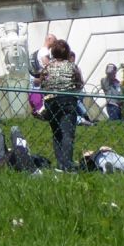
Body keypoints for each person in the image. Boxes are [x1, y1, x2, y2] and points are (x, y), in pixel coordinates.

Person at [41, 39, 83, 172]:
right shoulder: (72, 66)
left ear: (53, 52)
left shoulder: (48, 67)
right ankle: (67, 165)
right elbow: (80, 83)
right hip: (67, 100)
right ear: (67, 52)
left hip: (50, 101)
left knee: (56, 133)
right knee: (67, 134)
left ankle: (60, 164)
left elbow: (42, 84)